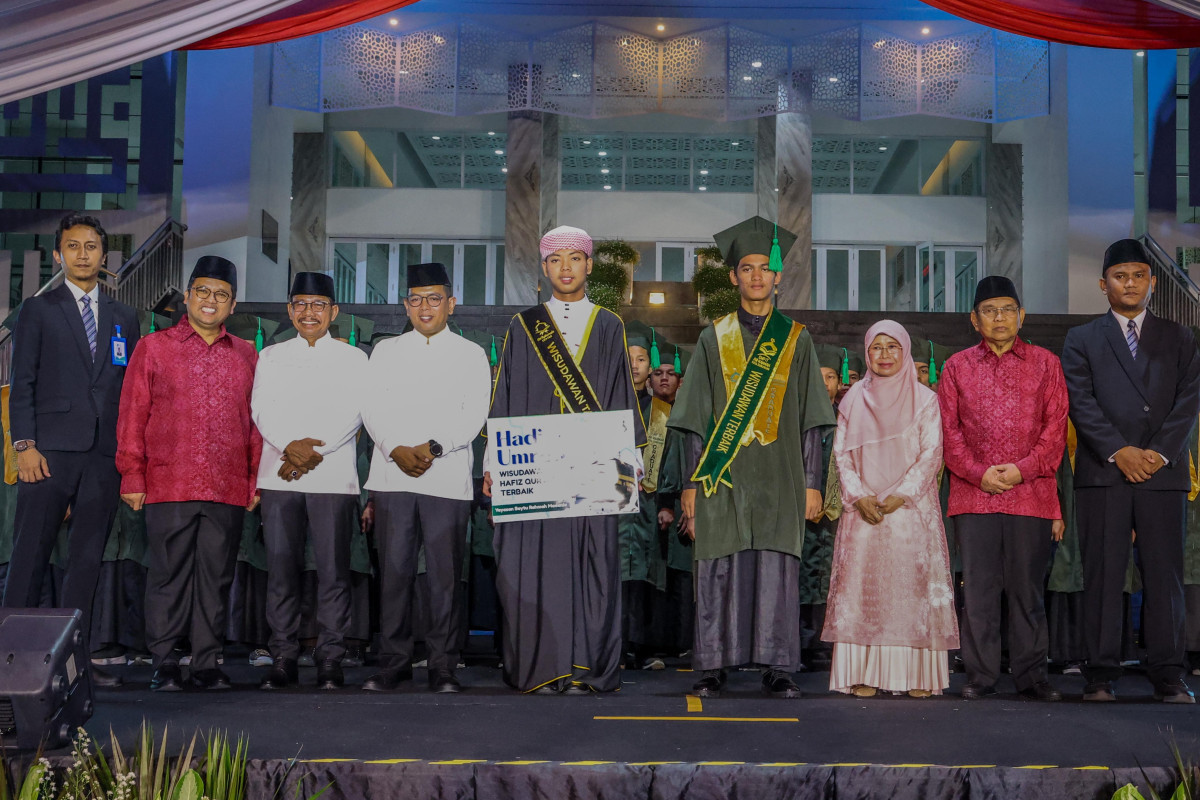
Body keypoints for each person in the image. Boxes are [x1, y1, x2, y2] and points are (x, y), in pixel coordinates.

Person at [669, 215, 834, 699]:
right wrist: (691, 484)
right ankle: (713, 665)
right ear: (732, 276)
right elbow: (695, 417)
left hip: (781, 476)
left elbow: (810, 420)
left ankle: (778, 666)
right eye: (747, 267)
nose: (757, 275)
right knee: (718, 563)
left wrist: (812, 482)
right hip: (722, 475)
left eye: (765, 267)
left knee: (777, 568)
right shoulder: (711, 337)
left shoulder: (797, 338)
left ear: (778, 276)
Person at [484, 225, 646, 694]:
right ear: (544, 267)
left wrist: (628, 463)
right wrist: (494, 465)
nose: (566, 268)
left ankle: (586, 669)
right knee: (537, 566)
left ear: (589, 265)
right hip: (537, 473)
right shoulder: (523, 325)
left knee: (592, 564)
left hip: (596, 469)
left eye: (575, 259)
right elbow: (506, 398)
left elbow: (621, 396)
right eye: (556, 260)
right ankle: (542, 667)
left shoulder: (610, 324)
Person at [1062, 238, 1200, 703]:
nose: (1130, 283)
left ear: (1153, 282)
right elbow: (1081, 402)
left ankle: (1167, 674)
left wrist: (1157, 454)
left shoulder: (1180, 336)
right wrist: (1119, 450)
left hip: (1163, 474)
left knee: (1164, 575)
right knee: (1102, 573)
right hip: (1104, 472)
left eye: (1139, 275)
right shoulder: (1081, 339)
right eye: (1120, 276)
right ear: (1104, 285)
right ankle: (1100, 674)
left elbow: (1188, 403)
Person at [5, 213, 139, 688]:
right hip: (48, 454)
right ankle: (10, 664)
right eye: (73, 246)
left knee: (86, 562)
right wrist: (23, 445)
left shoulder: (126, 317)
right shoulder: (37, 310)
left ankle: (72, 666)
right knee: (29, 558)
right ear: (59, 255)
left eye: (92, 247)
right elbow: (21, 384)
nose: (83, 254)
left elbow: (131, 392)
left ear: (104, 256)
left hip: (104, 456)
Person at [116, 255, 261, 692]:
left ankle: (206, 662)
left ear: (233, 305)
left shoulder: (247, 355)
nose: (210, 300)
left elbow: (256, 423)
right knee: (168, 575)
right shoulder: (154, 347)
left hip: (227, 485)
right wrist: (131, 475)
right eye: (202, 291)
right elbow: (132, 413)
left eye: (220, 294)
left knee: (216, 578)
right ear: (187, 296)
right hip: (168, 481)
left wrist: (254, 481)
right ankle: (163, 661)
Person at [361, 263, 491, 694]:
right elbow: (371, 408)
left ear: (451, 304)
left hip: (447, 478)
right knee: (394, 573)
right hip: (393, 474)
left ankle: (443, 665)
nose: (424, 306)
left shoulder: (471, 353)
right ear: (405, 305)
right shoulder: (386, 351)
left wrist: (433, 448)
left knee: (444, 576)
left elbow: (475, 413)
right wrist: (395, 447)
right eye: (416, 299)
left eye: (434, 298)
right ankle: (393, 662)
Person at [937, 276, 1067, 701]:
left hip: (1031, 494)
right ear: (974, 319)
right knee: (978, 589)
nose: (999, 317)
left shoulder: (1047, 363)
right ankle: (981, 676)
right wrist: (980, 474)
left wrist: (1021, 471)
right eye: (990, 310)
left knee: (1027, 590)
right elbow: (949, 432)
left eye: (1007, 309)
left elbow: (1055, 429)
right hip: (974, 495)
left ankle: (1032, 676)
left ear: (1021, 316)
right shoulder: (956, 366)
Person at [824, 320, 958, 697]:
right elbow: (842, 455)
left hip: (909, 512)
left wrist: (902, 493)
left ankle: (915, 675)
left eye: (892, 347)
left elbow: (932, 453)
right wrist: (859, 494)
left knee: (909, 590)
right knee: (865, 591)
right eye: (876, 348)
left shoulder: (926, 400)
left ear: (905, 351)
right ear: (866, 353)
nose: (884, 355)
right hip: (864, 512)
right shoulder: (852, 399)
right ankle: (863, 673)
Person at [251, 272, 366, 691]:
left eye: (318, 305)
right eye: (300, 304)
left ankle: (330, 659)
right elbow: (260, 408)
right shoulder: (272, 356)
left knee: (333, 573)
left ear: (334, 312)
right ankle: (282, 656)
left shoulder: (354, 358)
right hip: (280, 476)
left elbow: (356, 413)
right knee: (282, 572)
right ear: (289, 310)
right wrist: (289, 446)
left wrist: (310, 453)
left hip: (332, 476)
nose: (308, 312)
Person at [619, 321, 667, 670]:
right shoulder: (607, 405)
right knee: (616, 574)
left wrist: (667, 503)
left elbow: (674, 461)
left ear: (650, 366)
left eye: (640, 359)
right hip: (614, 505)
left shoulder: (663, 412)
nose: (635, 364)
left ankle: (645, 648)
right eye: (629, 358)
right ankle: (616, 647)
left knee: (647, 576)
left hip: (649, 506)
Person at [799, 343, 845, 670]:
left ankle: (825, 644)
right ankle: (800, 643)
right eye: (819, 376)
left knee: (830, 575)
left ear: (839, 383)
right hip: (802, 510)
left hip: (838, 511)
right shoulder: (798, 417)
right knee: (802, 573)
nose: (825, 382)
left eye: (830, 376)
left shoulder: (849, 416)